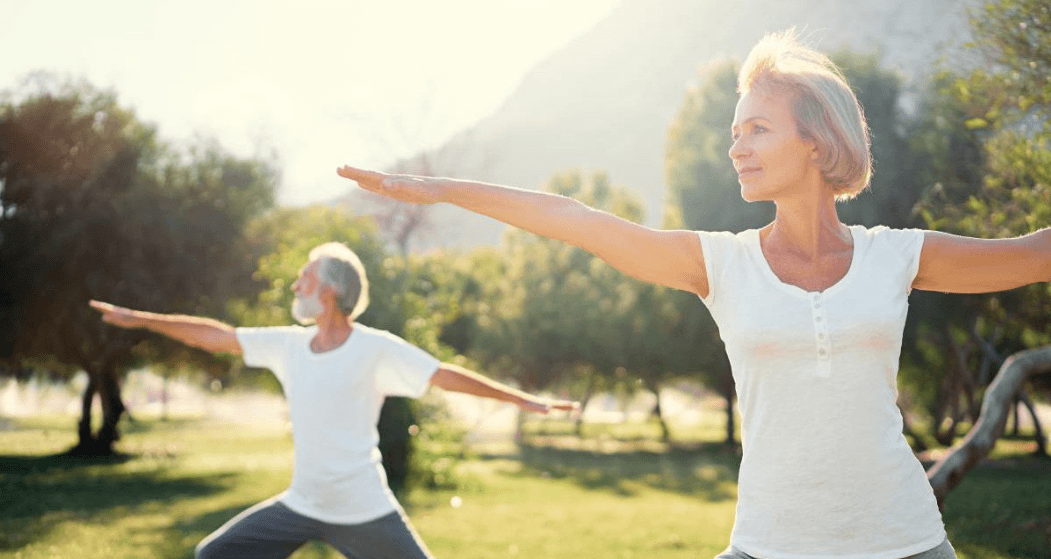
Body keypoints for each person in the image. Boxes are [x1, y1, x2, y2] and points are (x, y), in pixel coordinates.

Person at [336, 29, 1050, 559]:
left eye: (757, 129)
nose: (735, 147)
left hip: (903, 539)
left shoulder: (895, 255)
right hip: (768, 542)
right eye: (732, 131)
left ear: (815, 140)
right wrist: (434, 189)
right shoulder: (720, 264)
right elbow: (574, 220)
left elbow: (1030, 255)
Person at [89, 242, 577, 559]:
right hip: (301, 503)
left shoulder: (375, 349)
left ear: (331, 291)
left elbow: (443, 375)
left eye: (305, 277)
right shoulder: (288, 344)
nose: (295, 285)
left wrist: (524, 400)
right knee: (213, 556)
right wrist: (140, 319)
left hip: (364, 508)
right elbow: (215, 336)